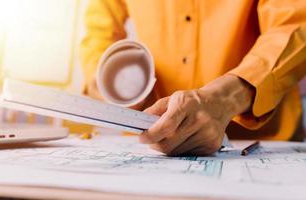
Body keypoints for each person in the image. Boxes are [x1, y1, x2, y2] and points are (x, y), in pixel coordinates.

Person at [80, 0, 306, 155]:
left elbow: (295, 24)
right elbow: (99, 34)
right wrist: (108, 83)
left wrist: (225, 99)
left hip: (262, 144)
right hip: (154, 142)